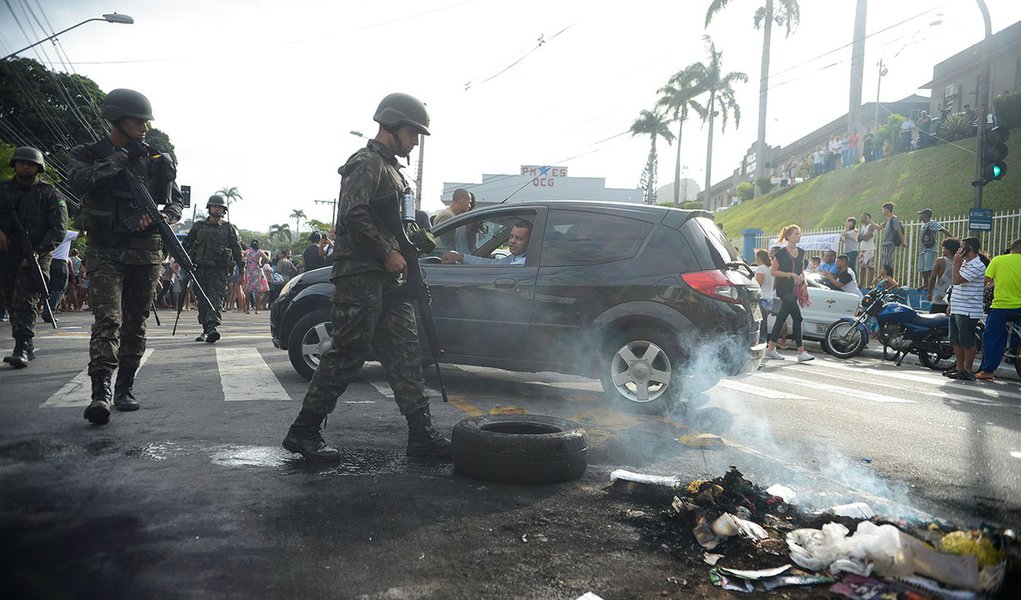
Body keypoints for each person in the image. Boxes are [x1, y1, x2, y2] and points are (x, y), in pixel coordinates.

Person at [281, 92, 450, 461]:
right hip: (361, 274)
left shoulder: (393, 171)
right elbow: (353, 214)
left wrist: (414, 243)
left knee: (405, 351)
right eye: (413, 132)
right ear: (393, 126)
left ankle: (421, 434)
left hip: (390, 279)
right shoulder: (365, 163)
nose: (415, 140)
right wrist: (385, 251)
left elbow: (397, 225)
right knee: (347, 352)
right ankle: (304, 433)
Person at [69, 89, 183, 423]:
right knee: (107, 321)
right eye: (138, 120)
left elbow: (176, 201)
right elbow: (78, 181)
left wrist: (162, 217)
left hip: (146, 253)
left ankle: (125, 389)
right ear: (117, 119)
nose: (145, 127)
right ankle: (100, 394)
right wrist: (120, 157)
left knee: (136, 324)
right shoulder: (89, 153)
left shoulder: (155, 158)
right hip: (105, 249)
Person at [0, 146, 68, 369]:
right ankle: (26, 345)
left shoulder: (50, 194)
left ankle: (21, 346)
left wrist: (38, 251)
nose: (25, 165)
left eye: (30, 163)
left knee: (25, 298)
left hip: (37, 253)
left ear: (39, 167)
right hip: (7, 253)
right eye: (21, 162)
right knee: (11, 299)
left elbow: (58, 229)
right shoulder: (3, 190)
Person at [184, 194, 244, 343]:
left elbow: (237, 250)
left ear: (223, 210)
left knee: (215, 299)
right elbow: (186, 244)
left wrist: (242, 270)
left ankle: (212, 327)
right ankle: (206, 329)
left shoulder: (229, 228)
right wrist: (183, 261)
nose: (216, 209)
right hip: (199, 268)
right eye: (214, 206)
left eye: (219, 207)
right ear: (209, 208)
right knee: (202, 300)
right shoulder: (199, 226)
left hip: (219, 270)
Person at [764, 224, 813, 362]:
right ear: (788, 236)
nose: (799, 236)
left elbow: (801, 271)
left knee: (781, 319)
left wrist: (805, 283)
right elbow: (773, 271)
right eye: (796, 234)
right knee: (798, 318)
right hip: (784, 289)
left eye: (799, 233)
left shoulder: (801, 252)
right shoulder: (781, 253)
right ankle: (801, 352)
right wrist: (790, 275)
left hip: (795, 289)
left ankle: (771, 349)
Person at [975, 239, 1021, 381]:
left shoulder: (998, 260)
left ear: (1012, 248)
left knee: (992, 338)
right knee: (1017, 333)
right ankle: (1014, 352)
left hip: (1001, 306)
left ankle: (988, 371)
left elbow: (985, 281)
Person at [945, 237, 986, 381]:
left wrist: (956, 263)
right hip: (957, 307)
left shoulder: (978, 265)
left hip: (968, 309)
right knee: (955, 339)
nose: (959, 250)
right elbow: (955, 285)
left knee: (967, 340)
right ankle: (959, 368)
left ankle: (968, 370)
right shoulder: (964, 263)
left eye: (962, 247)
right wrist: (951, 304)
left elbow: (956, 280)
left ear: (970, 249)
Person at [441, 220, 531, 265]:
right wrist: (461, 257)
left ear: (530, 242)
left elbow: (492, 267)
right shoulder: (514, 258)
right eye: (511, 236)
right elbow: (490, 263)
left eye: (519, 239)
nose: (512, 241)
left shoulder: (522, 263)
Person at [45, 229, 79, 321]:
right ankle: (50, 312)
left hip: (48, 262)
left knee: (49, 289)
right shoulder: (66, 233)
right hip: (60, 262)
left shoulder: (48, 232)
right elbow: (82, 234)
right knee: (60, 289)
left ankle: (46, 310)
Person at [917, 208, 950, 290]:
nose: (920, 216)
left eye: (921, 214)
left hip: (930, 249)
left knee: (929, 268)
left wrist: (952, 238)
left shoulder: (932, 223)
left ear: (926, 215)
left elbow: (942, 229)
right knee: (923, 268)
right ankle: (925, 284)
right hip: (922, 250)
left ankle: (931, 285)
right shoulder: (923, 225)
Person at [928, 238, 960, 314]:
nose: (942, 251)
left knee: (933, 319)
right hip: (953, 296)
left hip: (939, 295)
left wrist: (929, 292)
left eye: (944, 248)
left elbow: (932, 278)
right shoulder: (959, 262)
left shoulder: (940, 260)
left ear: (948, 250)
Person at [752, 249, 774, 343]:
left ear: (759, 257)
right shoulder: (769, 269)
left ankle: (761, 340)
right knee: (764, 320)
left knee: (760, 322)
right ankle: (764, 340)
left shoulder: (761, 269)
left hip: (762, 297)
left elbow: (758, 284)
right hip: (769, 298)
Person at [243, 239, 269, 313]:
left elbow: (242, 254)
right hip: (257, 270)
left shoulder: (248, 251)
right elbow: (266, 258)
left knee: (248, 291)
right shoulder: (259, 251)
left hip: (249, 271)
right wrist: (261, 264)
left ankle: (247, 309)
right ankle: (257, 309)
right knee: (257, 291)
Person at [879, 202, 906, 273]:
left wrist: (903, 242)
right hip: (885, 245)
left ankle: (889, 279)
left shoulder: (894, 219)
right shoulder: (887, 220)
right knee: (884, 263)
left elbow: (899, 230)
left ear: (887, 210)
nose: (882, 211)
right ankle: (886, 279)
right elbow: (879, 227)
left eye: (883, 210)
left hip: (889, 244)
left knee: (887, 264)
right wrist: (870, 221)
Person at [858, 212, 878, 287]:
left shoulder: (871, 226)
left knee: (870, 266)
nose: (861, 218)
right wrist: (863, 236)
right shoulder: (862, 227)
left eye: (863, 217)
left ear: (867, 218)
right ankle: (861, 283)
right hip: (862, 249)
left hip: (869, 248)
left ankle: (870, 284)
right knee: (862, 267)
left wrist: (862, 236)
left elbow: (867, 238)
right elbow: (858, 239)